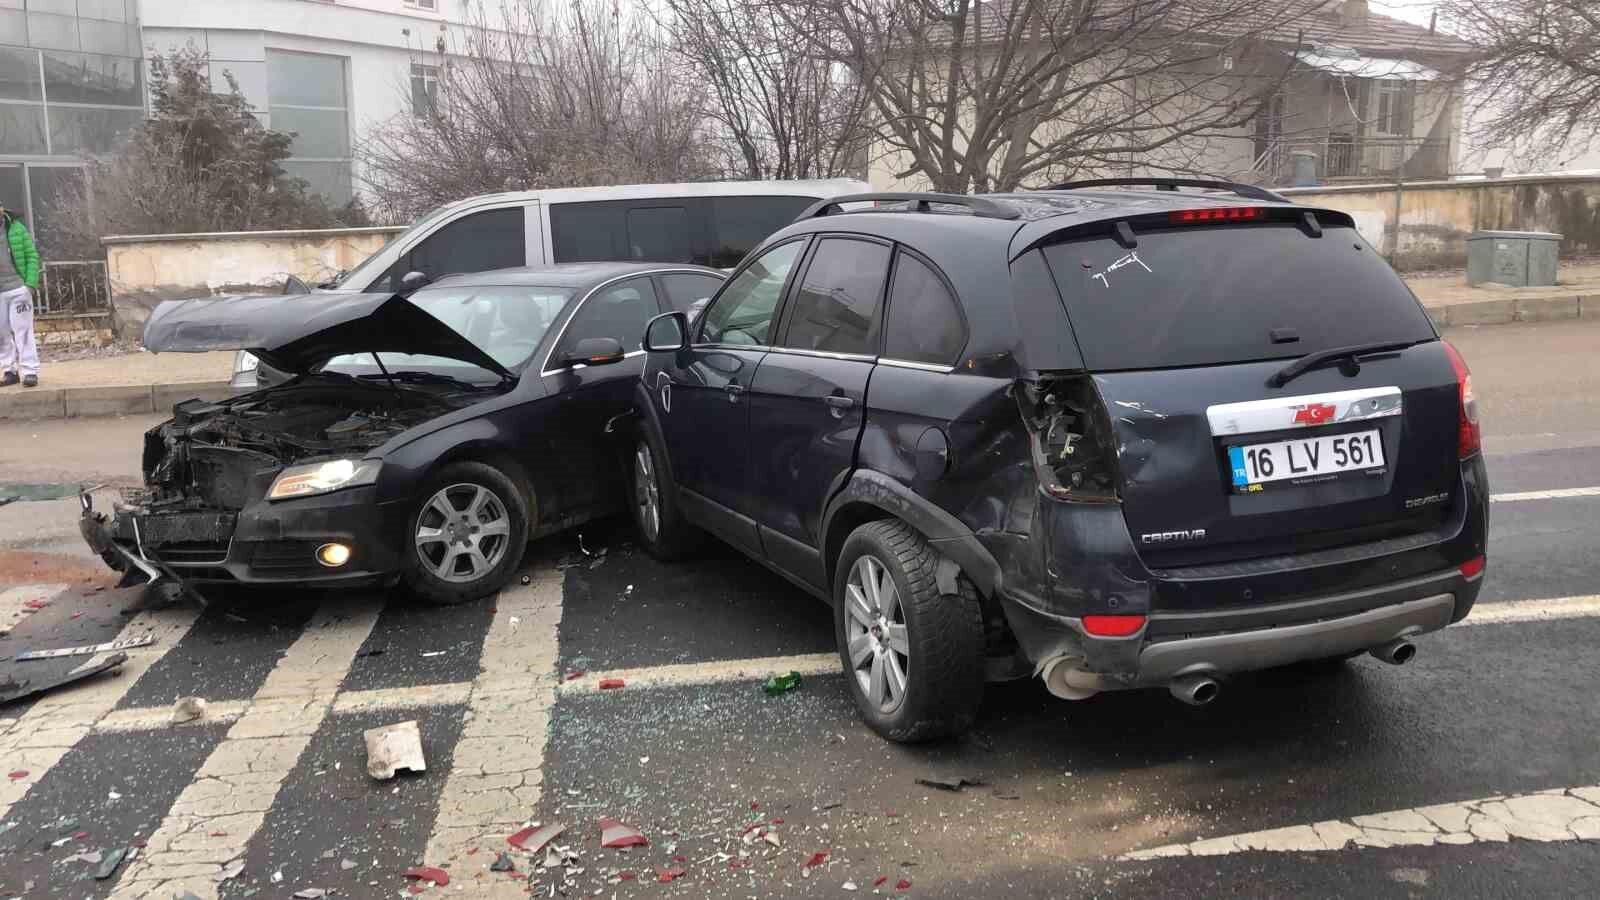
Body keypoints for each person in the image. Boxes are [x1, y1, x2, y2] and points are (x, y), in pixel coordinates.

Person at [0, 200, 40, 387]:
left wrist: (30, 285)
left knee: (23, 331)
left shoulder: (16, 228)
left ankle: (30, 370)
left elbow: (32, 256)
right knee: (1, 333)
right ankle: (9, 370)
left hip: (18, 290)